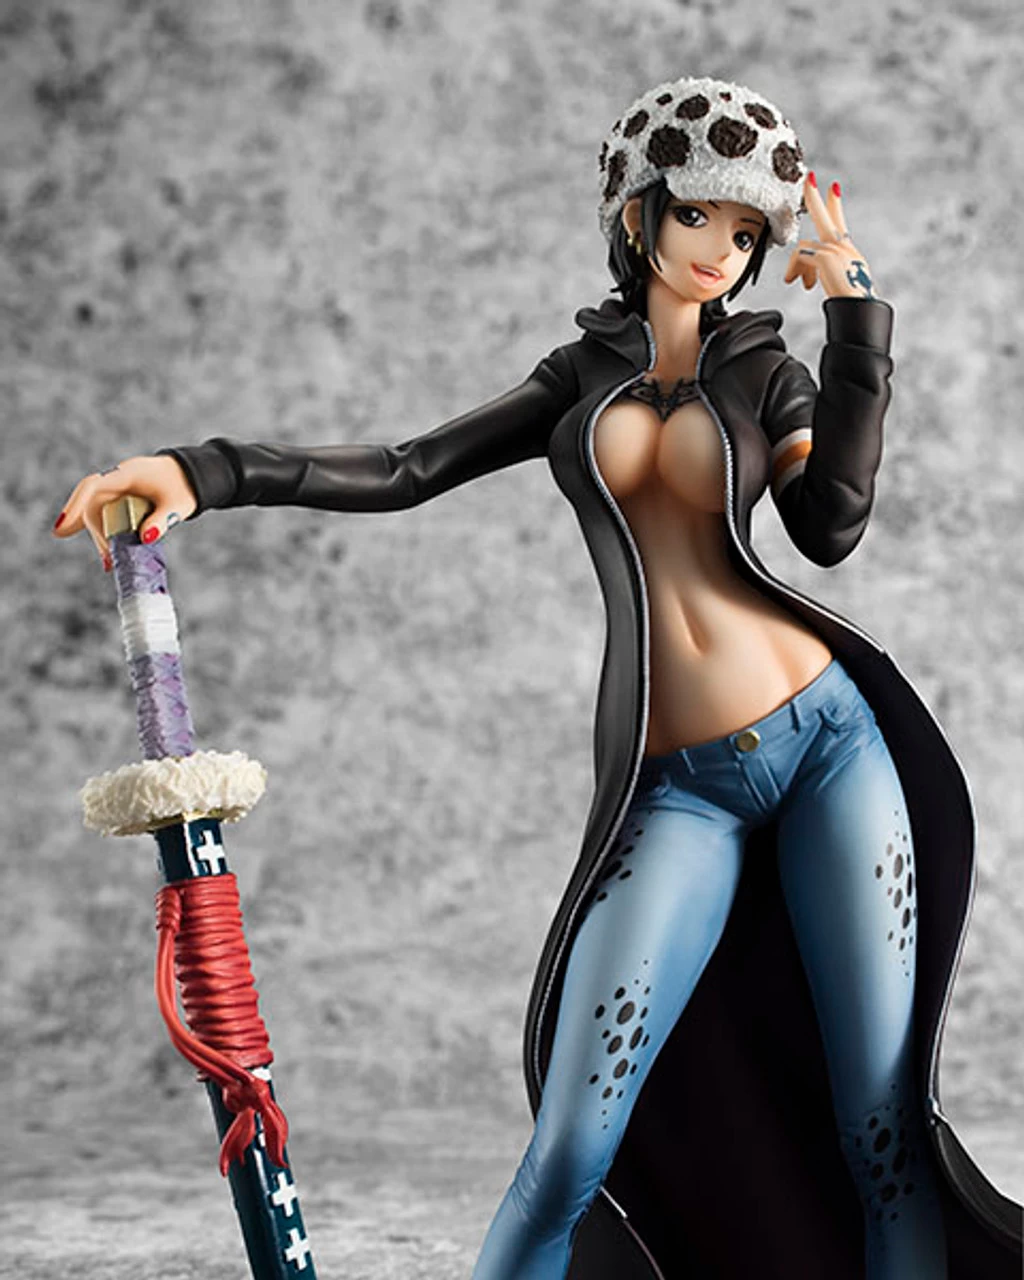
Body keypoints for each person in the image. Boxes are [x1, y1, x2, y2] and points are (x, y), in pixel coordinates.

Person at [54, 76, 1022, 1279]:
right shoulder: (579, 375)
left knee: (879, 1125)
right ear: (637, 213)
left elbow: (830, 526)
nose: (720, 251)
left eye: (745, 232)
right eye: (697, 215)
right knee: (571, 1144)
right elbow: (407, 466)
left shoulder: (765, 369)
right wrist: (205, 471)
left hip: (829, 747)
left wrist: (856, 325)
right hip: (680, 788)